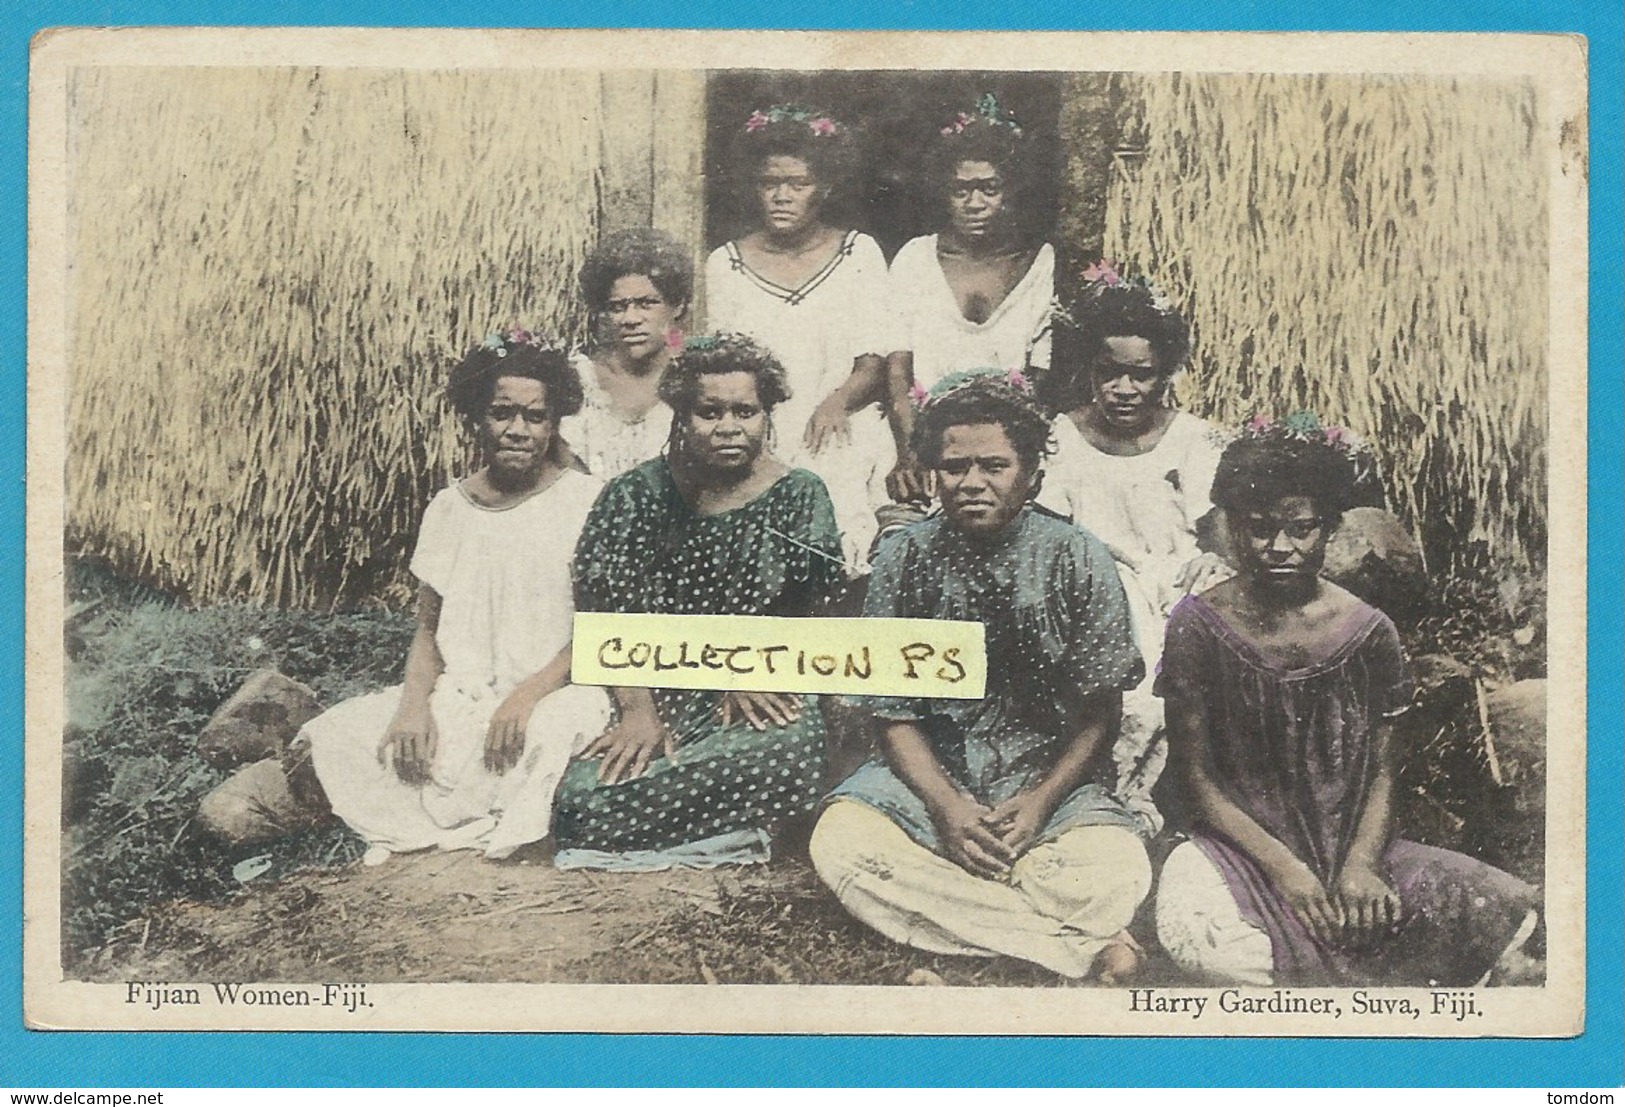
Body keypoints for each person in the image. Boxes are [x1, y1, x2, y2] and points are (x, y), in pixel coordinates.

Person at [1153, 415, 1540, 985]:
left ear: (1329, 528)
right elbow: (1199, 780)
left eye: (1301, 529)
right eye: (1259, 528)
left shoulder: (1368, 631)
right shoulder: (1198, 625)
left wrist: (1359, 865)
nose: (1279, 547)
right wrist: (1288, 872)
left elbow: (1385, 772)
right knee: (1203, 939)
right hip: (1235, 846)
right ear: (1233, 527)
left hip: (1348, 844)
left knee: (1498, 904)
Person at [810, 371, 1152, 981]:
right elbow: (892, 710)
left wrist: (1041, 804)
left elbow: (1101, 710)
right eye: (953, 467)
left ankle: (972, 918)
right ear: (932, 474)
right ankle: (1073, 946)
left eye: (994, 466)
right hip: (924, 786)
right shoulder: (903, 555)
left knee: (1115, 868)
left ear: (1032, 477)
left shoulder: (1079, 556)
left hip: (1047, 788)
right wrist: (947, 808)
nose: (971, 483)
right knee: (841, 845)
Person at [302, 331, 612, 864]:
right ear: (476, 418)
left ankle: (504, 823)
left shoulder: (586, 502)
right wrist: (412, 707)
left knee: (551, 735)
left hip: (553, 693)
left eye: (535, 417)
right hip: (463, 693)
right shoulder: (449, 508)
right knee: (342, 735)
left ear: (555, 422)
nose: (517, 430)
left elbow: (598, 628)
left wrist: (526, 696)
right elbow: (429, 629)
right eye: (502, 413)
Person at [551, 333, 845, 868]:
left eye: (745, 411)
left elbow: (816, 612)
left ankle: (706, 831)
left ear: (768, 414)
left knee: (791, 751)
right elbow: (604, 614)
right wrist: (637, 712)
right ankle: (738, 834)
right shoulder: (634, 495)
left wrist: (754, 668)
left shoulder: (801, 495)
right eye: (710, 412)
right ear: (682, 416)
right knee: (579, 798)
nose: (729, 427)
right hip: (656, 692)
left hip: (760, 694)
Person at [1035, 264, 1230, 833]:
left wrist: (1208, 561)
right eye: (1109, 373)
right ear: (1089, 372)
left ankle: (1183, 792)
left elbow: (1213, 532)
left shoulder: (1191, 438)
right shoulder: (1064, 436)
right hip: (1099, 575)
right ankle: (1117, 792)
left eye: (1140, 375)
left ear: (1164, 373)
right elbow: (1053, 530)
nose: (1123, 389)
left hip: (1173, 575)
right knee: (1132, 666)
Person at [704, 104, 906, 568]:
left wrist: (836, 402)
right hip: (760, 426)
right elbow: (725, 365)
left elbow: (873, 361)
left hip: (840, 420)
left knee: (843, 543)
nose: (781, 196)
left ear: (825, 188)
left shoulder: (859, 252)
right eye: (770, 183)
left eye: (797, 184)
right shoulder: (727, 263)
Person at [885, 94, 1055, 489]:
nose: (974, 203)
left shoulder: (1042, 263)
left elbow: (1041, 380)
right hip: (925, 442)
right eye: (961, 190)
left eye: (989, 189)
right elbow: (898, 374)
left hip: (1007, 449)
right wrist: (913, 453)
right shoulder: (916, 258)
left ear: (1012, 191)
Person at [562, 227, 692, 480]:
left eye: (647, 304)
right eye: (617, 307)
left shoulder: (695, 382)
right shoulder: (579, 382)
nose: (630, 319)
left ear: (677, 306)